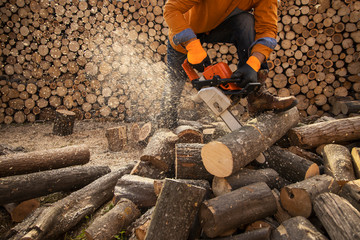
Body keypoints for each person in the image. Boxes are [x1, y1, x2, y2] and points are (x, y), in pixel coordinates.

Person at [157, 0, 298, 129]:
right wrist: (193, 47)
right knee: (174, 82)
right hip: (186, 27)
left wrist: (253, 64)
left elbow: (267, 30)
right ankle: (165, 121)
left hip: (221, 25)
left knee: (246, 22)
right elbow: (171, 9)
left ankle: (257, 97)